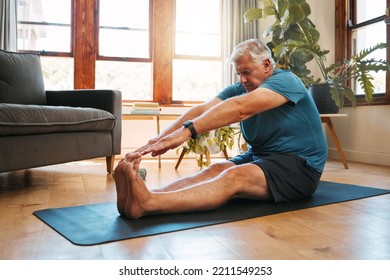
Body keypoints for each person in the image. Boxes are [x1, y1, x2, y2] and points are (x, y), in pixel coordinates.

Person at [114, 39, 328, 219]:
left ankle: (148, 203)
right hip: (262, 156)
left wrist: (186, 132)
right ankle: (145, 195)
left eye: (247, 72)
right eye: (239, 73)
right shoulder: (241, 87)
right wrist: (159, 138)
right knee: (215, 170)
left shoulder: (286, 81)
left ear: (266, 65)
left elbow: (240, 108)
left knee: (234, 176)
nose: (242, 79)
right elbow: (203, 110)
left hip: (301, 166)